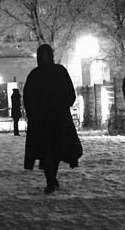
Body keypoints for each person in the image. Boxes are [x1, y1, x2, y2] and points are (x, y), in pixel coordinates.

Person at [23, 44, 83, 194]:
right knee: (52, 151)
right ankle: (51, 179)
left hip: (44, 120)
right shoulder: (58, 71)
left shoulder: (35, 75)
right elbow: (70, 94)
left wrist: (33, 114)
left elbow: (28, 99)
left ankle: (51, 179)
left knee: (49, 151)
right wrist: (61, 106)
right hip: (55, 119)